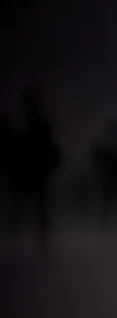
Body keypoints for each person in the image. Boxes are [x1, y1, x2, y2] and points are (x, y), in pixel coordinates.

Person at [10, 87, 60, 250]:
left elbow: (48, 147)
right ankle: (25, 238)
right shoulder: (26, 122)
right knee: (28, 206)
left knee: (31, 206)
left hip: (32, 171)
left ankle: (37, 239)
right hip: (28, 171)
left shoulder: (34, 122)